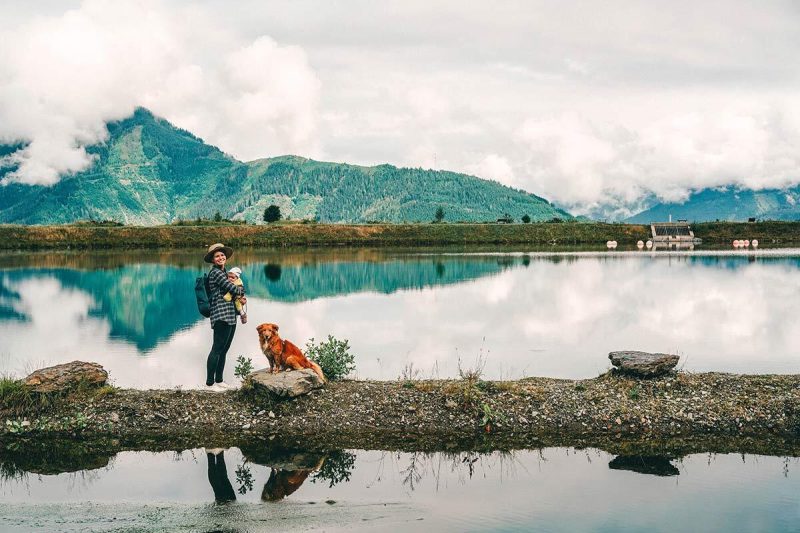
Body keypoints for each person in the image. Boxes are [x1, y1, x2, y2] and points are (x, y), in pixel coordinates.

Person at [204, 243, 246, 392]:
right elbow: (233, 288)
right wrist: (241, 291)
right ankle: (209, 384)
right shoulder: (216, 273)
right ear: (213, 260)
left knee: (224, 349)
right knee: (217, 348)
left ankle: (219, 380)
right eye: (217, 256)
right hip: (220, 314)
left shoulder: (225, 272)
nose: (220, 257)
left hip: (230, 314)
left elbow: (235, 291)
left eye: (222, 255)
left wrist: (240, 294)